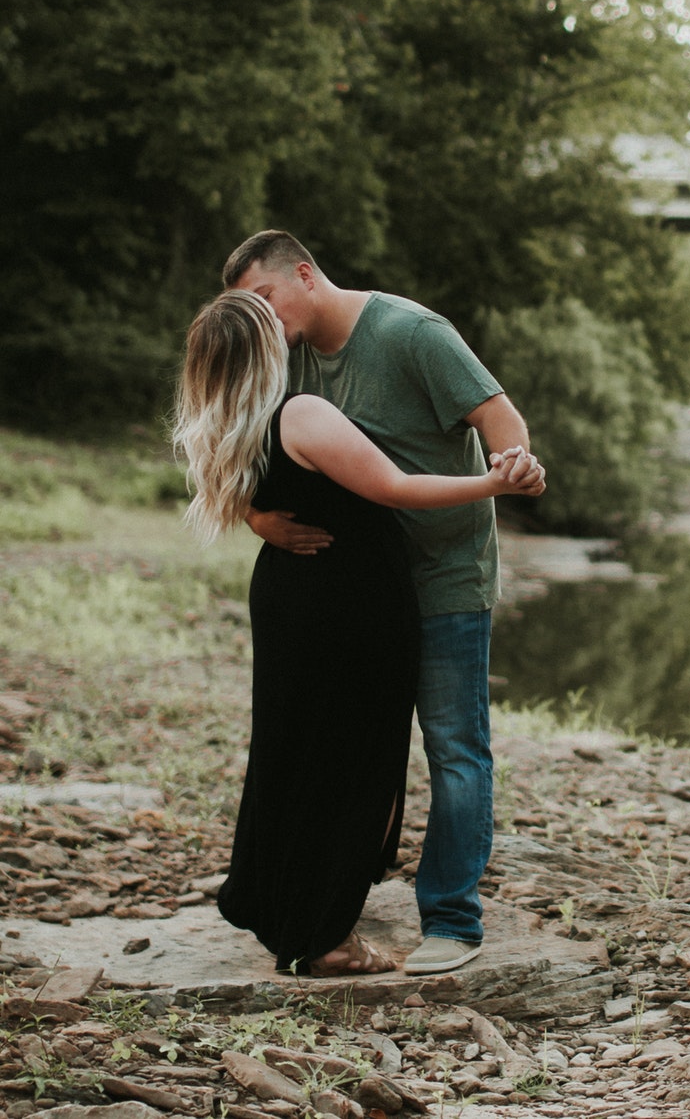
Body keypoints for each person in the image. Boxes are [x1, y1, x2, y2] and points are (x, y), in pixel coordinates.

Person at [172, 289, 540, 977]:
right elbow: (394, 487)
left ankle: (289, 906)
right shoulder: (302, 410)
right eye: (269, 323)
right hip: (347, 606)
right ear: (263, 347)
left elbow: (250, 495)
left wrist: (258, 522)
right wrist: (493, 487)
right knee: (353, 763)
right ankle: (327, 933)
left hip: (291, 599)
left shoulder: (227, 421)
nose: (285, 329)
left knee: (292, 752)